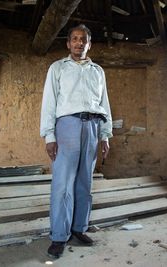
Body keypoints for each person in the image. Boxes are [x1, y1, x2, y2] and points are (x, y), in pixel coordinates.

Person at [40, 24, 113, 259]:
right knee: (62, 184)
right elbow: (49, 103)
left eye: (83, 39)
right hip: (67, 126)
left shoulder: (97, 71)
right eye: (74, 39)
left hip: (92, 126)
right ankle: (59, 236)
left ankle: (78, 228)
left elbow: (104, 104)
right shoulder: (58, 68)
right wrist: (49, 135)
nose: (79, 43)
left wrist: (105, 134)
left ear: (89, 44)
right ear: (68, 43)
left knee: (84, 183)